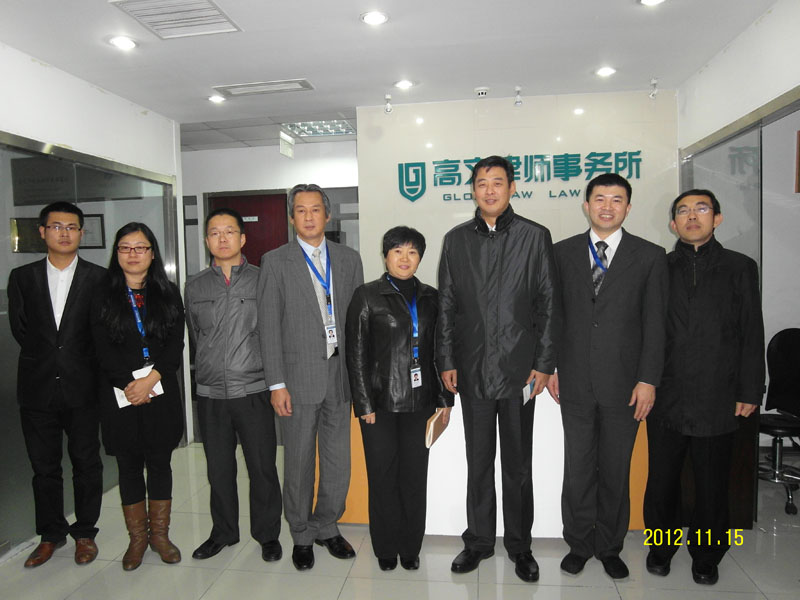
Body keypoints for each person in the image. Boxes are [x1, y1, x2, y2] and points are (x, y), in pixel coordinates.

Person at [437, 155, 560, 582]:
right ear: (472, 189)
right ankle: (478, 542)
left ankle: (520, 546)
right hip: (471, 370)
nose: (489, 190)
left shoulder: (534, 236)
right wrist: (446, 360)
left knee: (518, 464)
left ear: (512, 188)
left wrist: (544, 363)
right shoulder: (456, 240)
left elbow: (548, 303)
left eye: (497, 182)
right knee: (478, 461)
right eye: (481, 183)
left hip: (519, 372)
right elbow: (447, 305)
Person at [547, 173, 667, 580]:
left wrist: (648, 379)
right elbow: (552, 316)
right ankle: (579, 543)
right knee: (578, 467)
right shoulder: (561, 253)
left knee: (616, 468)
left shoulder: (649, 256)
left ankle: (610, 545)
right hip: (574, 380)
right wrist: (552, 367)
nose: (607, 206)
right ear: (586, 205)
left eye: (617, 200)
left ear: (628, 208)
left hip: (626, 385)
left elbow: (656, 324)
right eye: (600, 199)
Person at [643, 190, 764, 585]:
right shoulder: (659, 268)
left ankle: (708, 555)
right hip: (667, 393)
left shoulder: (739, 267)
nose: (692, 216)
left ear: (718, 218)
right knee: (662, 481)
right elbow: (646, 332)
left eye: (701, 209)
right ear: (673, 224)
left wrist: (750, 389)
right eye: (683, 211)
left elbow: (751, 331)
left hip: (718, 393)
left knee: (712, 483)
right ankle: (661, 547)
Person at [258, 184, 364, 571]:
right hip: (297, 379)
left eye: (315, 209)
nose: (308, 216)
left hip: (340, 376)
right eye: (300, 210)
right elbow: (268, 326)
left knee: (338, 461)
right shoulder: (275, 261)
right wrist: (276, 384)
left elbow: (357, 322)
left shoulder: (349, 259)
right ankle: (301, 534)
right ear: (291, 218)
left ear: (327, 215)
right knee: (299, 462)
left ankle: (327, 526)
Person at [346, 226, 453, 572]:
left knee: (414, 478)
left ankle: (410, 546)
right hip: (379, 406)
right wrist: (364, 405)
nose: (405, 259)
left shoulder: (432, 298)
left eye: (412, 252)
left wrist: (444, 400)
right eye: (397, 251)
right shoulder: (366, 296)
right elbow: (356, 355)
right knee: (382, 477)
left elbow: (442, 352)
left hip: (421, 404)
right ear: (385, 256)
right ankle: (385, 547)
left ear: (420, 258)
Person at [8, 202, 105, 568]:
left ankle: (85, 533)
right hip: (37, 387)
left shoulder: (99, 278)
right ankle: (51, 535)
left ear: (81, 233)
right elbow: (21, 329)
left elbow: (101, 333)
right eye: (56, 226)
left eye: (71, 227)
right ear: (42, 231)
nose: (64, 233)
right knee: (44, 467)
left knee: (86, 463)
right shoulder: (22, 277)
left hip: (84, 388)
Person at [184, 208, 282, 562]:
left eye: (229, 232)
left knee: (263, 468)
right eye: (214, 232)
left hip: (253, 389)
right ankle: (223, 532)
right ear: (206, 240)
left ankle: (267, 535)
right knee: (219, 470)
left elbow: (274, 332)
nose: (222, 238)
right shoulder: (194, 286)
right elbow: (196, 335)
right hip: (211, 394)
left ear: (242, 238)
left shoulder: (263, 279)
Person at [90, 222, 185, 571]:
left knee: (160, 463)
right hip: (120, 395)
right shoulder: (102, 295)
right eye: (125, 248)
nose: (133, 254)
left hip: (160, 392)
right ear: (116, 253)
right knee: (128, 467)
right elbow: (100, 349)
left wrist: (152, 379)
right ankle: (137, 540)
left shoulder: (168, 292)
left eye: (140, 247)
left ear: (152, 253)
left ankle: (160, 536)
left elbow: (175, 343)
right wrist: (131, 385)